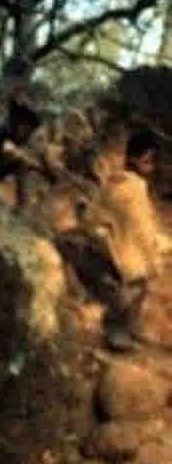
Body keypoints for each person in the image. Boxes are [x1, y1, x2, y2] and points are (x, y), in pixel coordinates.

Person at [87, 129, 169, 352]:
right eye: (148, 162)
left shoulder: (113, 181)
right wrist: (155, 262)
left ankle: (124, 329)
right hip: (117, 262)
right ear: (135, 160)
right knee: (140, 281)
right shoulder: (135, 189)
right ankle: (118, 333)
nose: (151, 169)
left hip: (103, 248)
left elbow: (92, 217)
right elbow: (143, 232)